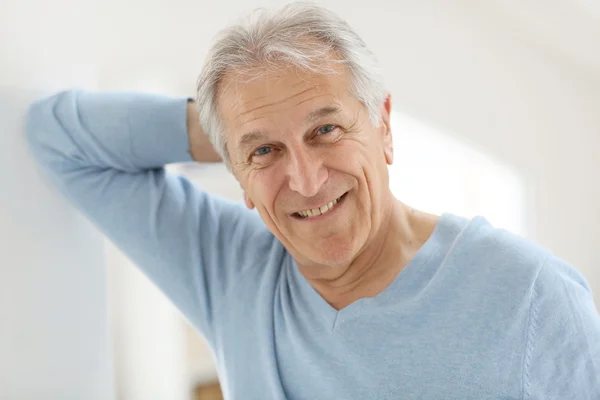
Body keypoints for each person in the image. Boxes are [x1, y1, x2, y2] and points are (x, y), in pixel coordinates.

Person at [25, 3, 599, 399]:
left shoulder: (530, 296)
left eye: (325, 130)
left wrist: (254, 134)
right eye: (267, 152)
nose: (304, 179)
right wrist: (229, 132)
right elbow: (58, 137)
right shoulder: (233, 270)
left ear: (385, 128)